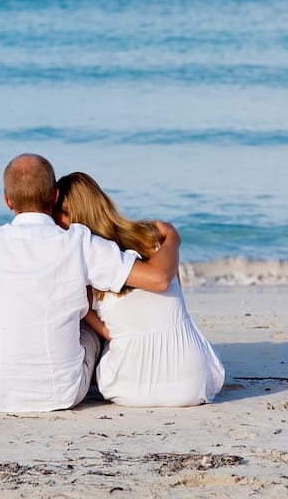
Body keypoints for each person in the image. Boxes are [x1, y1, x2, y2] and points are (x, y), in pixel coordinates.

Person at [0, 154, 181, 413]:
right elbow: (159, 279)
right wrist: (172, 238)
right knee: (83, 302)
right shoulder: (79, 242)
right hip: (64, 393)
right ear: (54, 196)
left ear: (7, 201)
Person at [54, 172, 225, 407]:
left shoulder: (84, 256)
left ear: (67, 216)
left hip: (129, 389)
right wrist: (173, 238)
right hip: (192, 383)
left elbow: (106, 330)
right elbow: (175, 294)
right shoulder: (154, 237)